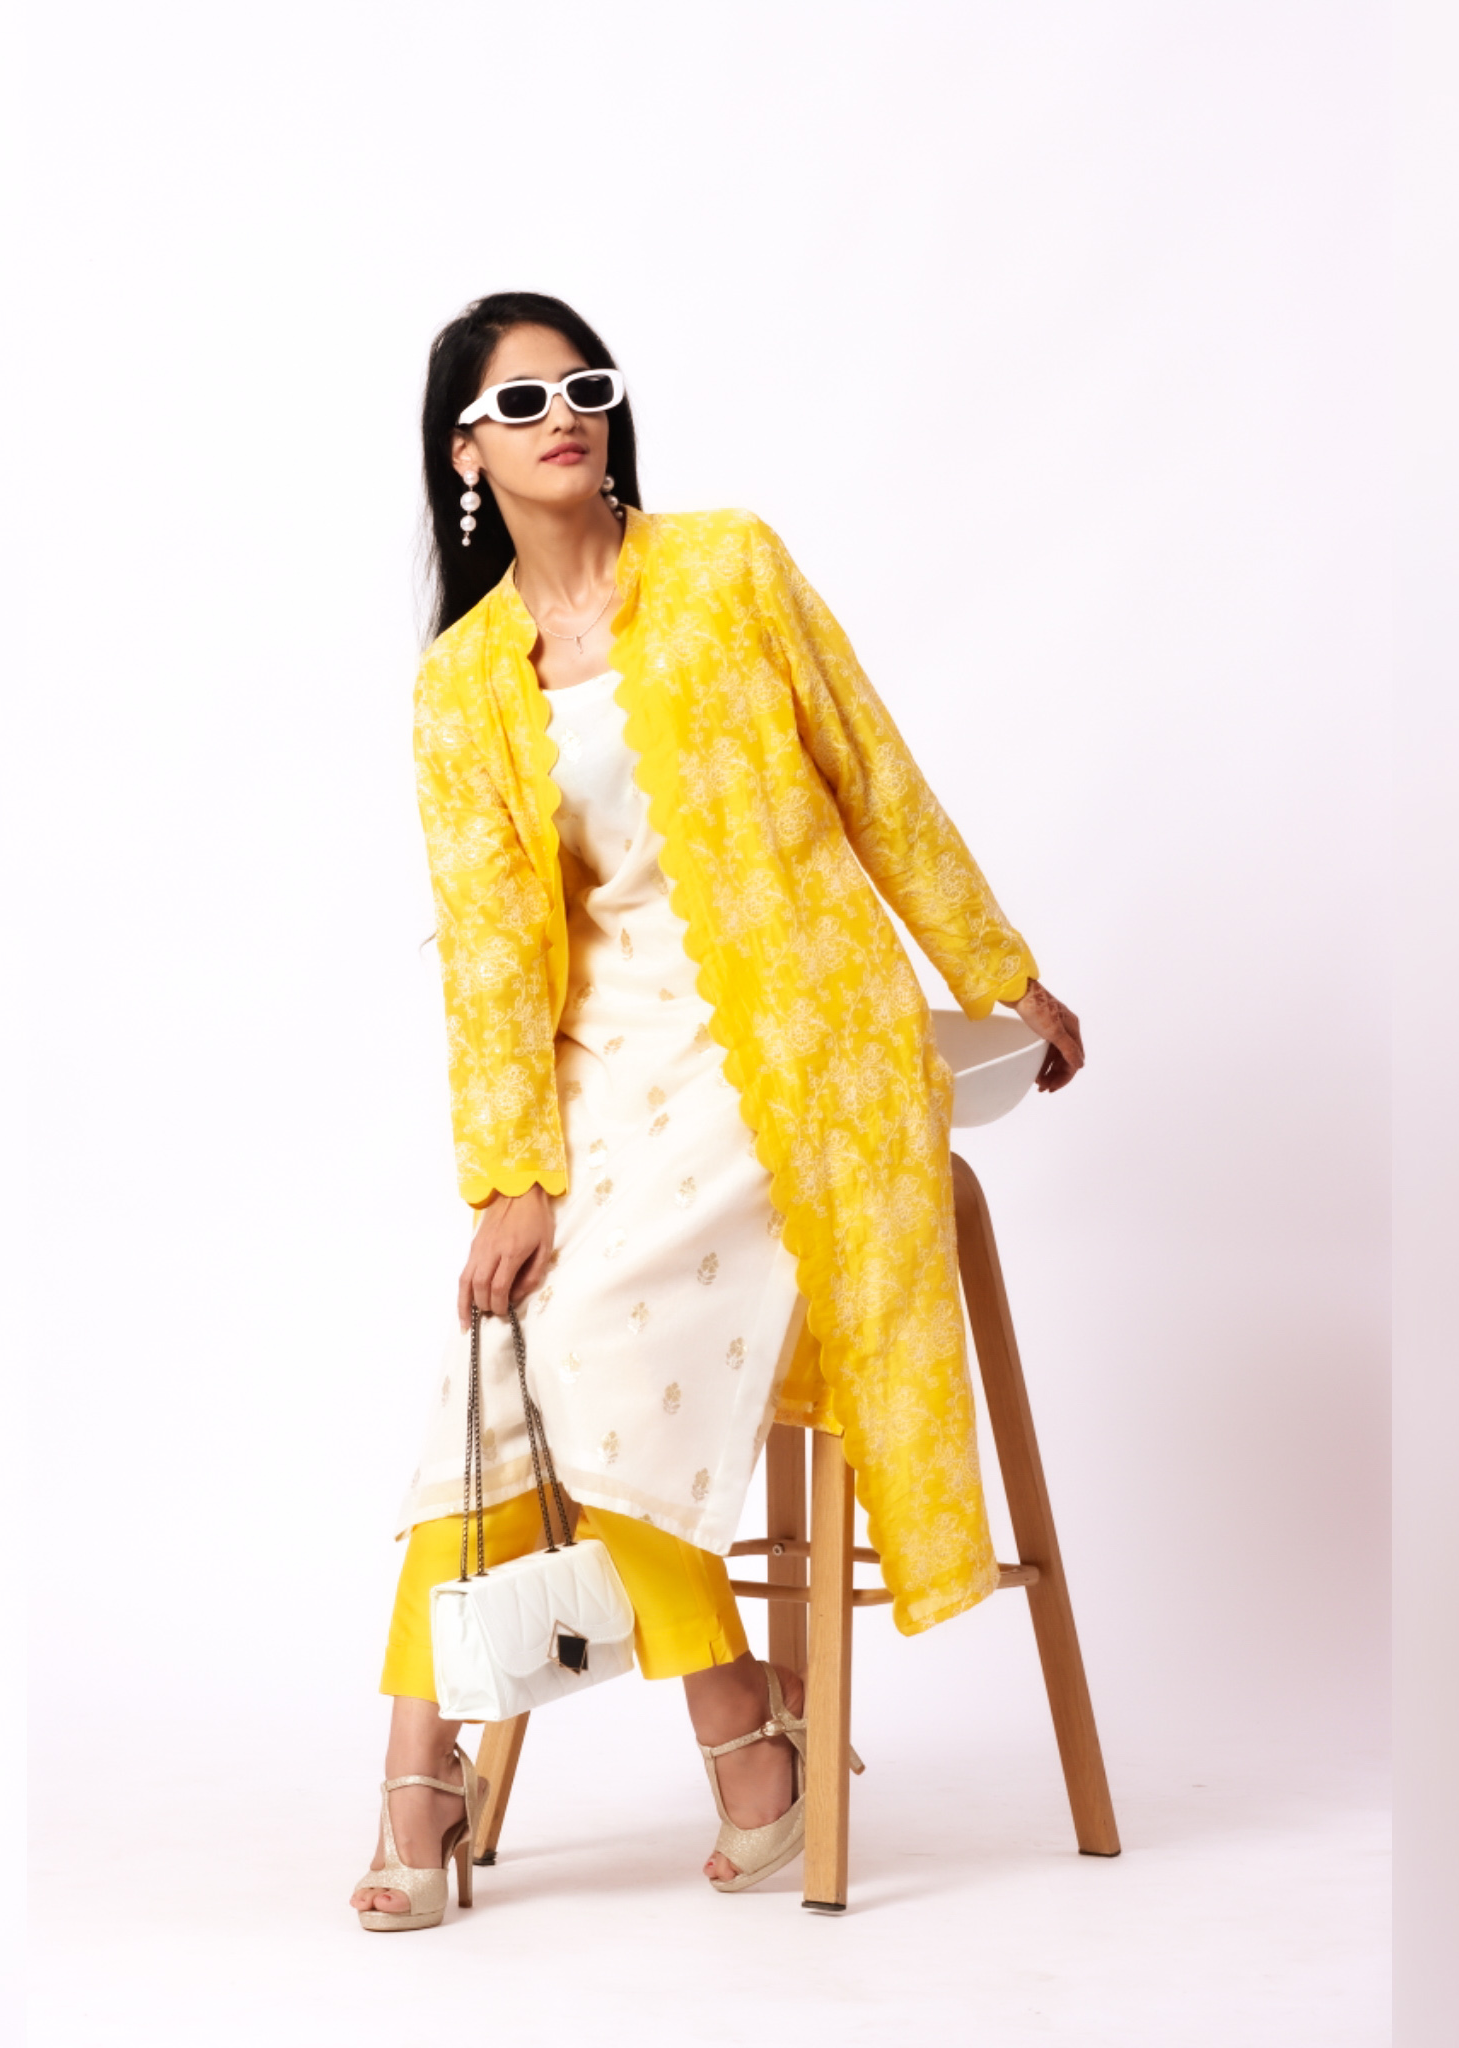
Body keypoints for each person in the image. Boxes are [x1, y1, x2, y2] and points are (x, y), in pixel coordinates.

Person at [354, 291, 1086, 1930]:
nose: (563, 416)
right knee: (515, 1328)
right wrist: (510, 1175)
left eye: (584, 387)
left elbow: (876, 778)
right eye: (522, 401)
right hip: (606, 1080)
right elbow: (489, 959)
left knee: (574, 1338)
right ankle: (726, 1735)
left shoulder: (731, 569)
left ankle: (433, 1784)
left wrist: (999, 969)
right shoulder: (463, 687)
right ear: (466, 452)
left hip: (802, 1055)